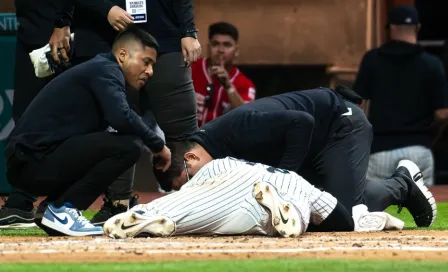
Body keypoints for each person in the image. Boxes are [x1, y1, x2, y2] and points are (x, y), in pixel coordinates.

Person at [154, 86, 436, 228]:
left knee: (344, 218)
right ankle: (390, 188)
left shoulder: (236, 130)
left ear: (190, 158)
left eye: (189, 180)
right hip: (309, 146)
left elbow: (302, 122)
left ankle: (403, 184)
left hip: (339, 124)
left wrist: (285, 181)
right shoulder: (214, 157)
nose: (196, 185)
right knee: (316, 215)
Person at [4, 26, 171, 236]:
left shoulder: (101, 69)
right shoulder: (106, 70)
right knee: (129, 146)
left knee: (117, 142)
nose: (150, 71)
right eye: (146, 62)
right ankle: (64, 208)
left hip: (29, 161)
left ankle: (52, 209)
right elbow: (121, 116)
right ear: (122, 55)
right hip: (32, 161)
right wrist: (159, 145)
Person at [0, 0, 134, 229]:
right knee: (24, 116)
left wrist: (62, 22)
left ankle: (62, 203)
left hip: (61, 32)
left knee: (70, 123)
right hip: (30, 29)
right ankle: (25, 201)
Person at [69, 0, 201, 225]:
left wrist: (188, 30)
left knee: (183, 133)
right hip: (105, 37)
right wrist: (105, 8)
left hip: (165, 36)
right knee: (114, 128)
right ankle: (117, 205)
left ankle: (197, 206)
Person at [103, 157, 405, 239]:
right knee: (293, 219)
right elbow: (339, 219)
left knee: (183, 209)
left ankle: (146, 215)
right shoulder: (298, 179)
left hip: (236, 186)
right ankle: (292, 218)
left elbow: (194, 194)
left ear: (192, 158)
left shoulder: (218, 164)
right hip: (289, 193)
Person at [354, 4, 448, 187]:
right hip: (419, 148)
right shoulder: (432, 64)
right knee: (422, 212)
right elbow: (443, 113)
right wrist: (432, 135)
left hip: (379, 150)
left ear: (391, 28)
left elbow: (357, 106)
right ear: (418, 27)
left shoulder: (372, 59)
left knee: (377, 211)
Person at [192, 22, 256, 127]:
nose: (220, 50)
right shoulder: (192, 68)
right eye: (215, 44)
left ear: (237, 50)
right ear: (209, 47)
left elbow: (247, 118)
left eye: (227, 45)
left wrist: (228, 86)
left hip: (222, 140)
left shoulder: (245, 84)